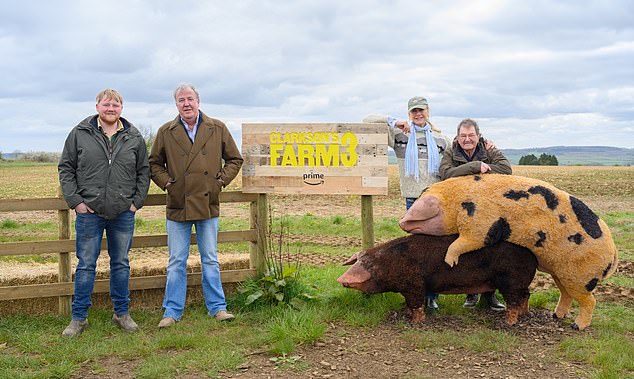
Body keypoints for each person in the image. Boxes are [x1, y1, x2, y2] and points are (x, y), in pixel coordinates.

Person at [149, 84, 243, 328]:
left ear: (198, 101)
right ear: (176, 104)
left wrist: (219, 181)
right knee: (176, 260)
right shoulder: (165, 131)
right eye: (181, 100)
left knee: (210, 258)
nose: (186, 104)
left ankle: (218, 308)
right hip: (178, 204)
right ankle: (171, 311)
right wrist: (168, 183)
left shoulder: (217, 128)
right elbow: (154, 164)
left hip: (207, 202)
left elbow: (235, 159)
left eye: (190, 99)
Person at [58, 88, 150, 337]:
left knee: (120, 264)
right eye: (107, 104)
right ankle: (79, 318)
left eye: (116, 105)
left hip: (122, 212)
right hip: (89, 212)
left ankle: (122, 313)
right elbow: (66, 168)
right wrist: (76, 201)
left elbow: (144, 171)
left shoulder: (133, 136)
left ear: (122, 108)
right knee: (86, 265)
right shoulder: (80, 134)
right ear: (97, 106)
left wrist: (136, 202)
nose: (111, 109)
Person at [365, 96, 452, 311]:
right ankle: (421, 293)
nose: (418, 115)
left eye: (421, 110)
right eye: (414, 111)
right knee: (420, 251)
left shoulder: (442, 139)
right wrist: (393, 121)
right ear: (409, 114)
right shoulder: (399, 136)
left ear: (428, 112)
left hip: (437, 199)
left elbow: (454, 162)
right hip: (413, 200)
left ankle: (433, 295)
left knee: (438, 248)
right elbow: (367, 121)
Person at [439, 118, 512, 311]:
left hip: (488, 209)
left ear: (478, 136)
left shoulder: (489, 148)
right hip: (461, 209)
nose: (467, 139)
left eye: (471, 135)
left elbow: (506, 169)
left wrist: (477, 169)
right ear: (457, 137)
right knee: (465, 249)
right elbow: (445, 174)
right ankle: (470, 293)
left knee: (490, 249)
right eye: (463, 136)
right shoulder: (451, 151)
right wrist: (474, 167)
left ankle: (489, 295)